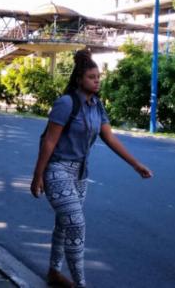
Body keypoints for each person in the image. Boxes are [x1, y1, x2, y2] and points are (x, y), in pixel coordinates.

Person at [30, 50, 153, 288]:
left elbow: (110, 138)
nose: (97, 80)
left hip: (80, 174)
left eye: (98, 76)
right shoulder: (66, 103)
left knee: (64, 226)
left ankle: (54, 272)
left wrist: (136, 165)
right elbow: (49, 141)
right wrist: (38, 176)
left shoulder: (97, 105)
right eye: (91, 77)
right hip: (57, 169)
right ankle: (80, 283)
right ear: (79, 79)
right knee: (76, 224)